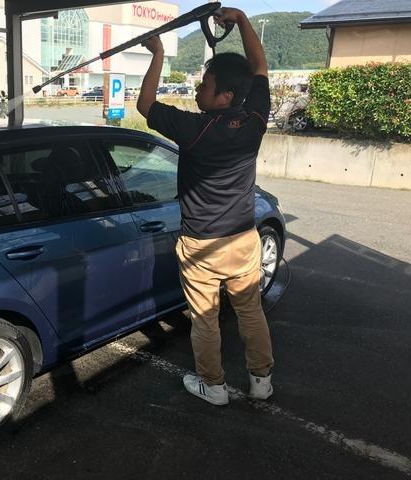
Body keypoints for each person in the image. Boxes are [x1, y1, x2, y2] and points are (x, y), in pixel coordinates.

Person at [137, 7, 274, 406]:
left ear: (225, 96)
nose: (198, 89)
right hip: (244, 239)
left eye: (205, 85)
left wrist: (157, 54)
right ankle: (261, 381)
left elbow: (146, 105)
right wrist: (242, 19)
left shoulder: (195, 129)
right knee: (250, 312)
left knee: (205, 318)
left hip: (202, 245)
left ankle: (213, 386)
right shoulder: (254, 120)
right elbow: (260, 66)